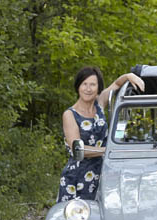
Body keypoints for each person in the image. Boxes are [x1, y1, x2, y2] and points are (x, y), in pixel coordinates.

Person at [57, 66, 145, 202]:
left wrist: (129, 76)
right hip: (78, 176)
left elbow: (116, 84)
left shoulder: (100, 103)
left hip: (103, 172)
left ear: (98, 88)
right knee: (77, 218)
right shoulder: (70, 115)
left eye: (92, 84)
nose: (88, 89)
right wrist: (108, 150)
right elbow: (78, 150)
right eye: (84, 84)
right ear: (78, 86)